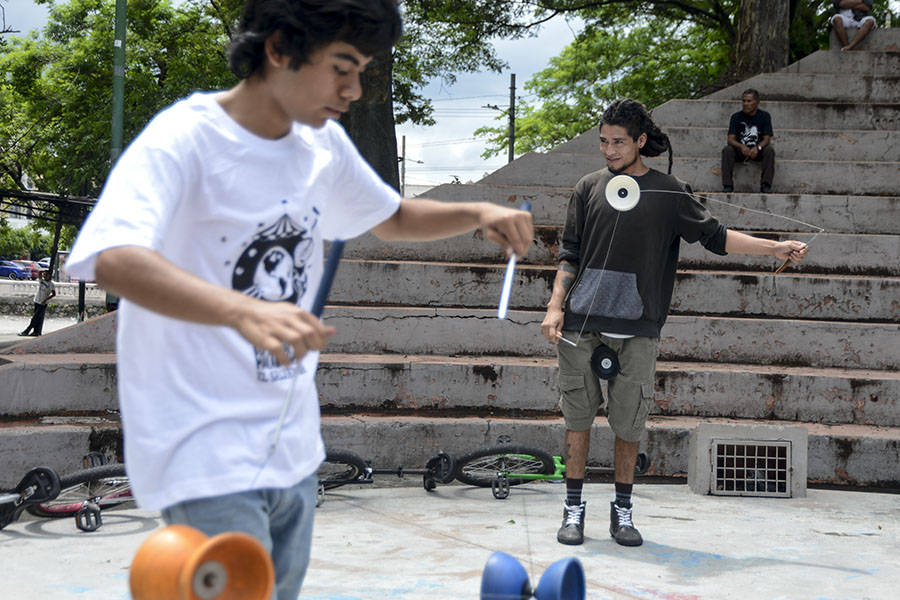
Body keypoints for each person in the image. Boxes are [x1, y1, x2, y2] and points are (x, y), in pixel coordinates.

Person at [65, 1, 532, 598]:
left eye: (361, 70)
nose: (355, 89)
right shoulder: (185, 139)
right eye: (342, 67)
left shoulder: (322, 148)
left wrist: (478, 212)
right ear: (279, 48)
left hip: (289, 446)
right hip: (201, 444)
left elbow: (390, 216)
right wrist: (243, 309)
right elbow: (113, 257)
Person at [540, 98, 807, 548]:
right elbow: (570, 253)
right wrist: (554, 306)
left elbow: (716, 237)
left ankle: (622, 512)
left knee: (628, 426)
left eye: (618, 143)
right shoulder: (587, 187)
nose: (609, 150)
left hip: (639, 329)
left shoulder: (668, 191)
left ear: (641, 141)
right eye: (603, 142)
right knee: (577, 421)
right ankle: (573, 509)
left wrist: (773, 247)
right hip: (582, 327)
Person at [721, 89, 775, 194]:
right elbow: (730, 139)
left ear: (757, 102)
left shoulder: (764, 116)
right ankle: (728, 185)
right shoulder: (736, 117)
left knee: (769, 151)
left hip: (757, 150)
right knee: (727, 150)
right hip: (740, 151)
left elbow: (767, 139)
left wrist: (757, 148)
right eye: (744, 101)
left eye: (749, 101)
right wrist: (741, 146)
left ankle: (766, 186)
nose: (746, 104)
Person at [19, 270, 56, 337]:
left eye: (46, 275)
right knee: (38, 318)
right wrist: (43, 271)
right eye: (44, 275)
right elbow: (39, 273)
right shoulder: (42, 281)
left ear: (50, 276)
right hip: (37, 301)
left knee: (35, 318)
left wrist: (45, 300)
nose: (44, 276)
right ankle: (36, 332)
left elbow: (54, 294)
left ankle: (27, 331)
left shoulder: (51, 284)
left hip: (43, 303)